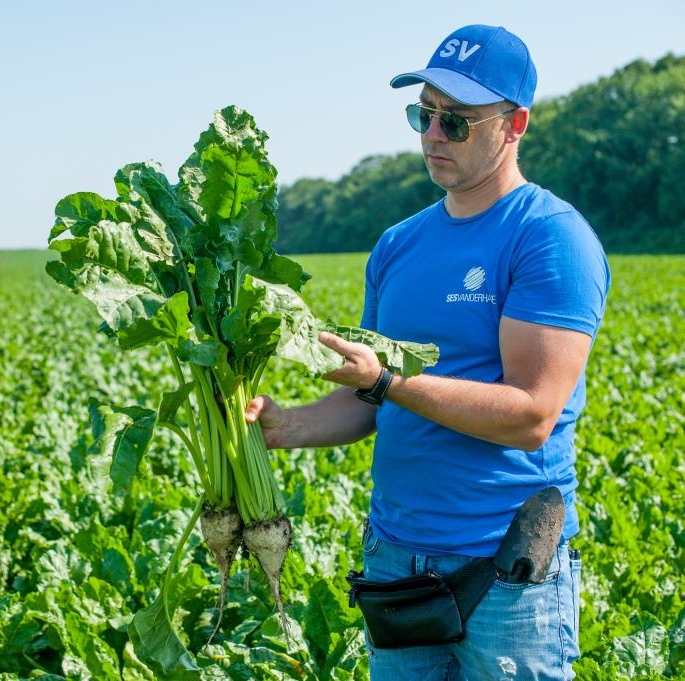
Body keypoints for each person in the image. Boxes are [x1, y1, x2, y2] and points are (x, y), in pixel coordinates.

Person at [247, 24, 610, 680]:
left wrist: (388, 381)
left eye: (457, 122)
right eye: (424, 114)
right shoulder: (397, 245)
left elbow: (532, 415)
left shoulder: (549, 238)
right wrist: (289, 424)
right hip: (398, 561)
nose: (434, 135)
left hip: (506, 572)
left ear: (515, 123)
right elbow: (368, 400)